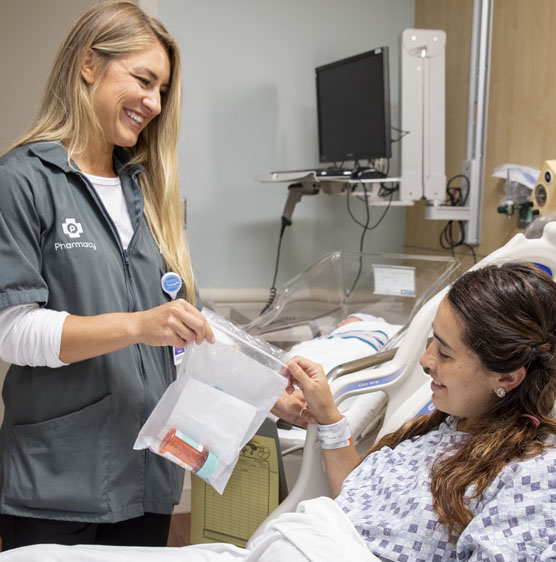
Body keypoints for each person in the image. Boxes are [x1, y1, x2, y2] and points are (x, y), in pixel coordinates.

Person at [0, 0, 307, 551]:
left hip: (148, 474)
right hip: (56, 480)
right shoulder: (23, 180)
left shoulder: (150, 193)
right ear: (89, 65)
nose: (154, 102)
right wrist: (139, 325)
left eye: (162, 90)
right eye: (143, 80)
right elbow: (13, 332)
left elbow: (184, 338)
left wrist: (269, 397)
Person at [2, 262, 556, 560]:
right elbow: (356, 500)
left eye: (444, 351)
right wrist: (329, 413)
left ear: (508, 376)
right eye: (430, 340)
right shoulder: (441, 430)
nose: (424, 361)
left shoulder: (535, 474)